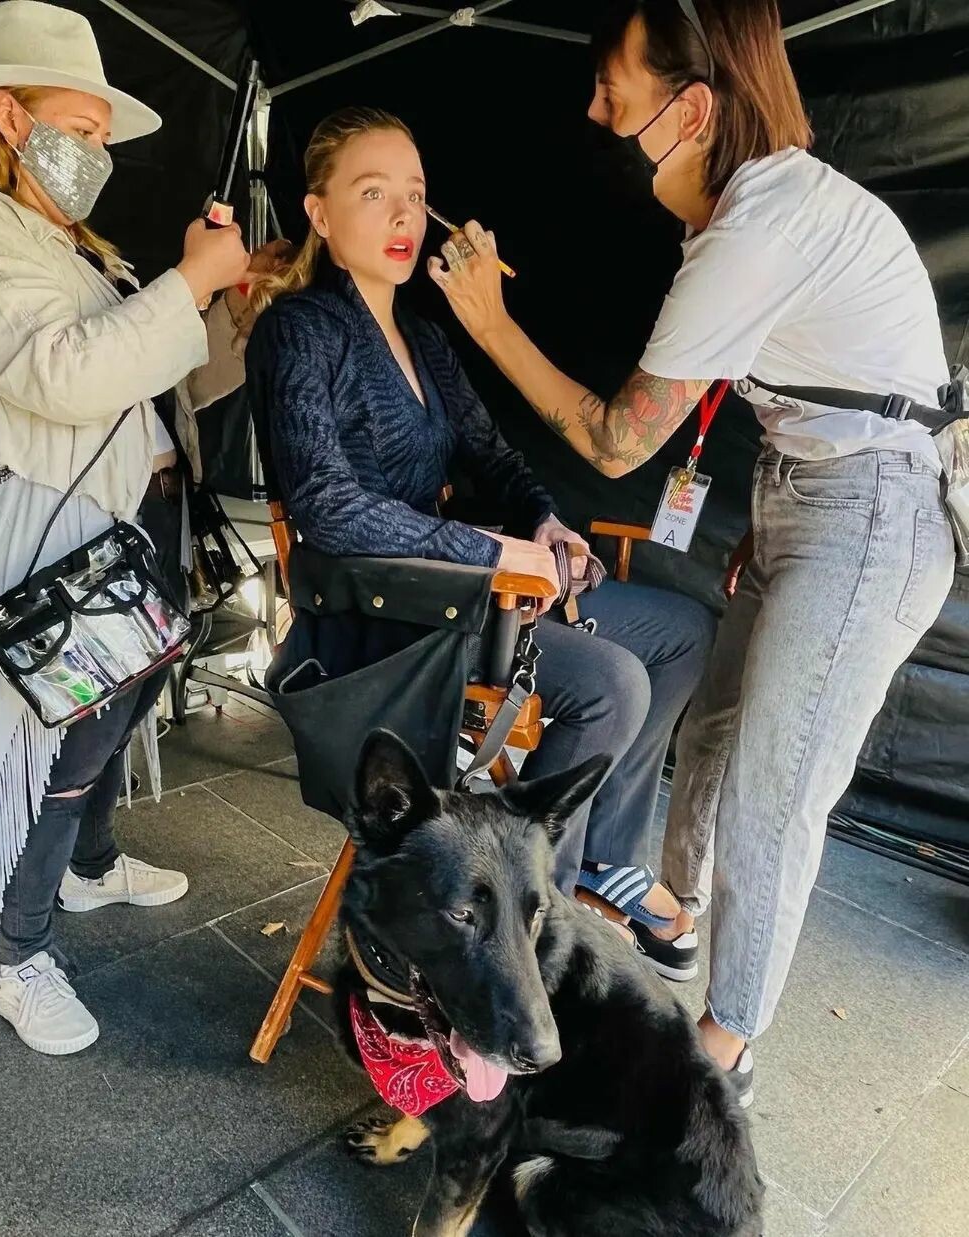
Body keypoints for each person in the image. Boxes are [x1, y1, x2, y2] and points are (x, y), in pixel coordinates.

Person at [430, 0, 956, 1106]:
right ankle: (674, 910)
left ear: (695, 110)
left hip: (869, 512)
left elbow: (616, 441)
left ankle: (724, 1049)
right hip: (808, 489)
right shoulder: (750, 216)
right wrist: (774, 519)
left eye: (614, 94)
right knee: (714, 718)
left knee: (778, 778)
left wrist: (484, 319)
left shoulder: (759, 225)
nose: (596, 114)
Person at [242, 106, 715, 952]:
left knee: (683, 633)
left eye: (415, 194)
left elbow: (495, 457)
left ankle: (603, 856)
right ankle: (528, 925)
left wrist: (545, 522)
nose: (402, 214)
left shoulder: (424, 337)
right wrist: (493, 551)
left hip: (464, 592)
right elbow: (327, 504)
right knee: (612, 685)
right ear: (319, 212)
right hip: (384, 614)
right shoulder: (299, 329)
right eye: (373, 192)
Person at [0, 1, 265, 1055]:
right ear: (6, 115)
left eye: (104, 133)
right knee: (63, 739)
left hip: (130, 515)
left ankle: (91, 866)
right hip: (48, 535)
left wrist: (232, 308)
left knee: (123, 704)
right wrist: (190, 282)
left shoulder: (69, 244)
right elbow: (63, 375)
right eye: (81, 126)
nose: (98, 150)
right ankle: (20, 953)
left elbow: (156, 378)